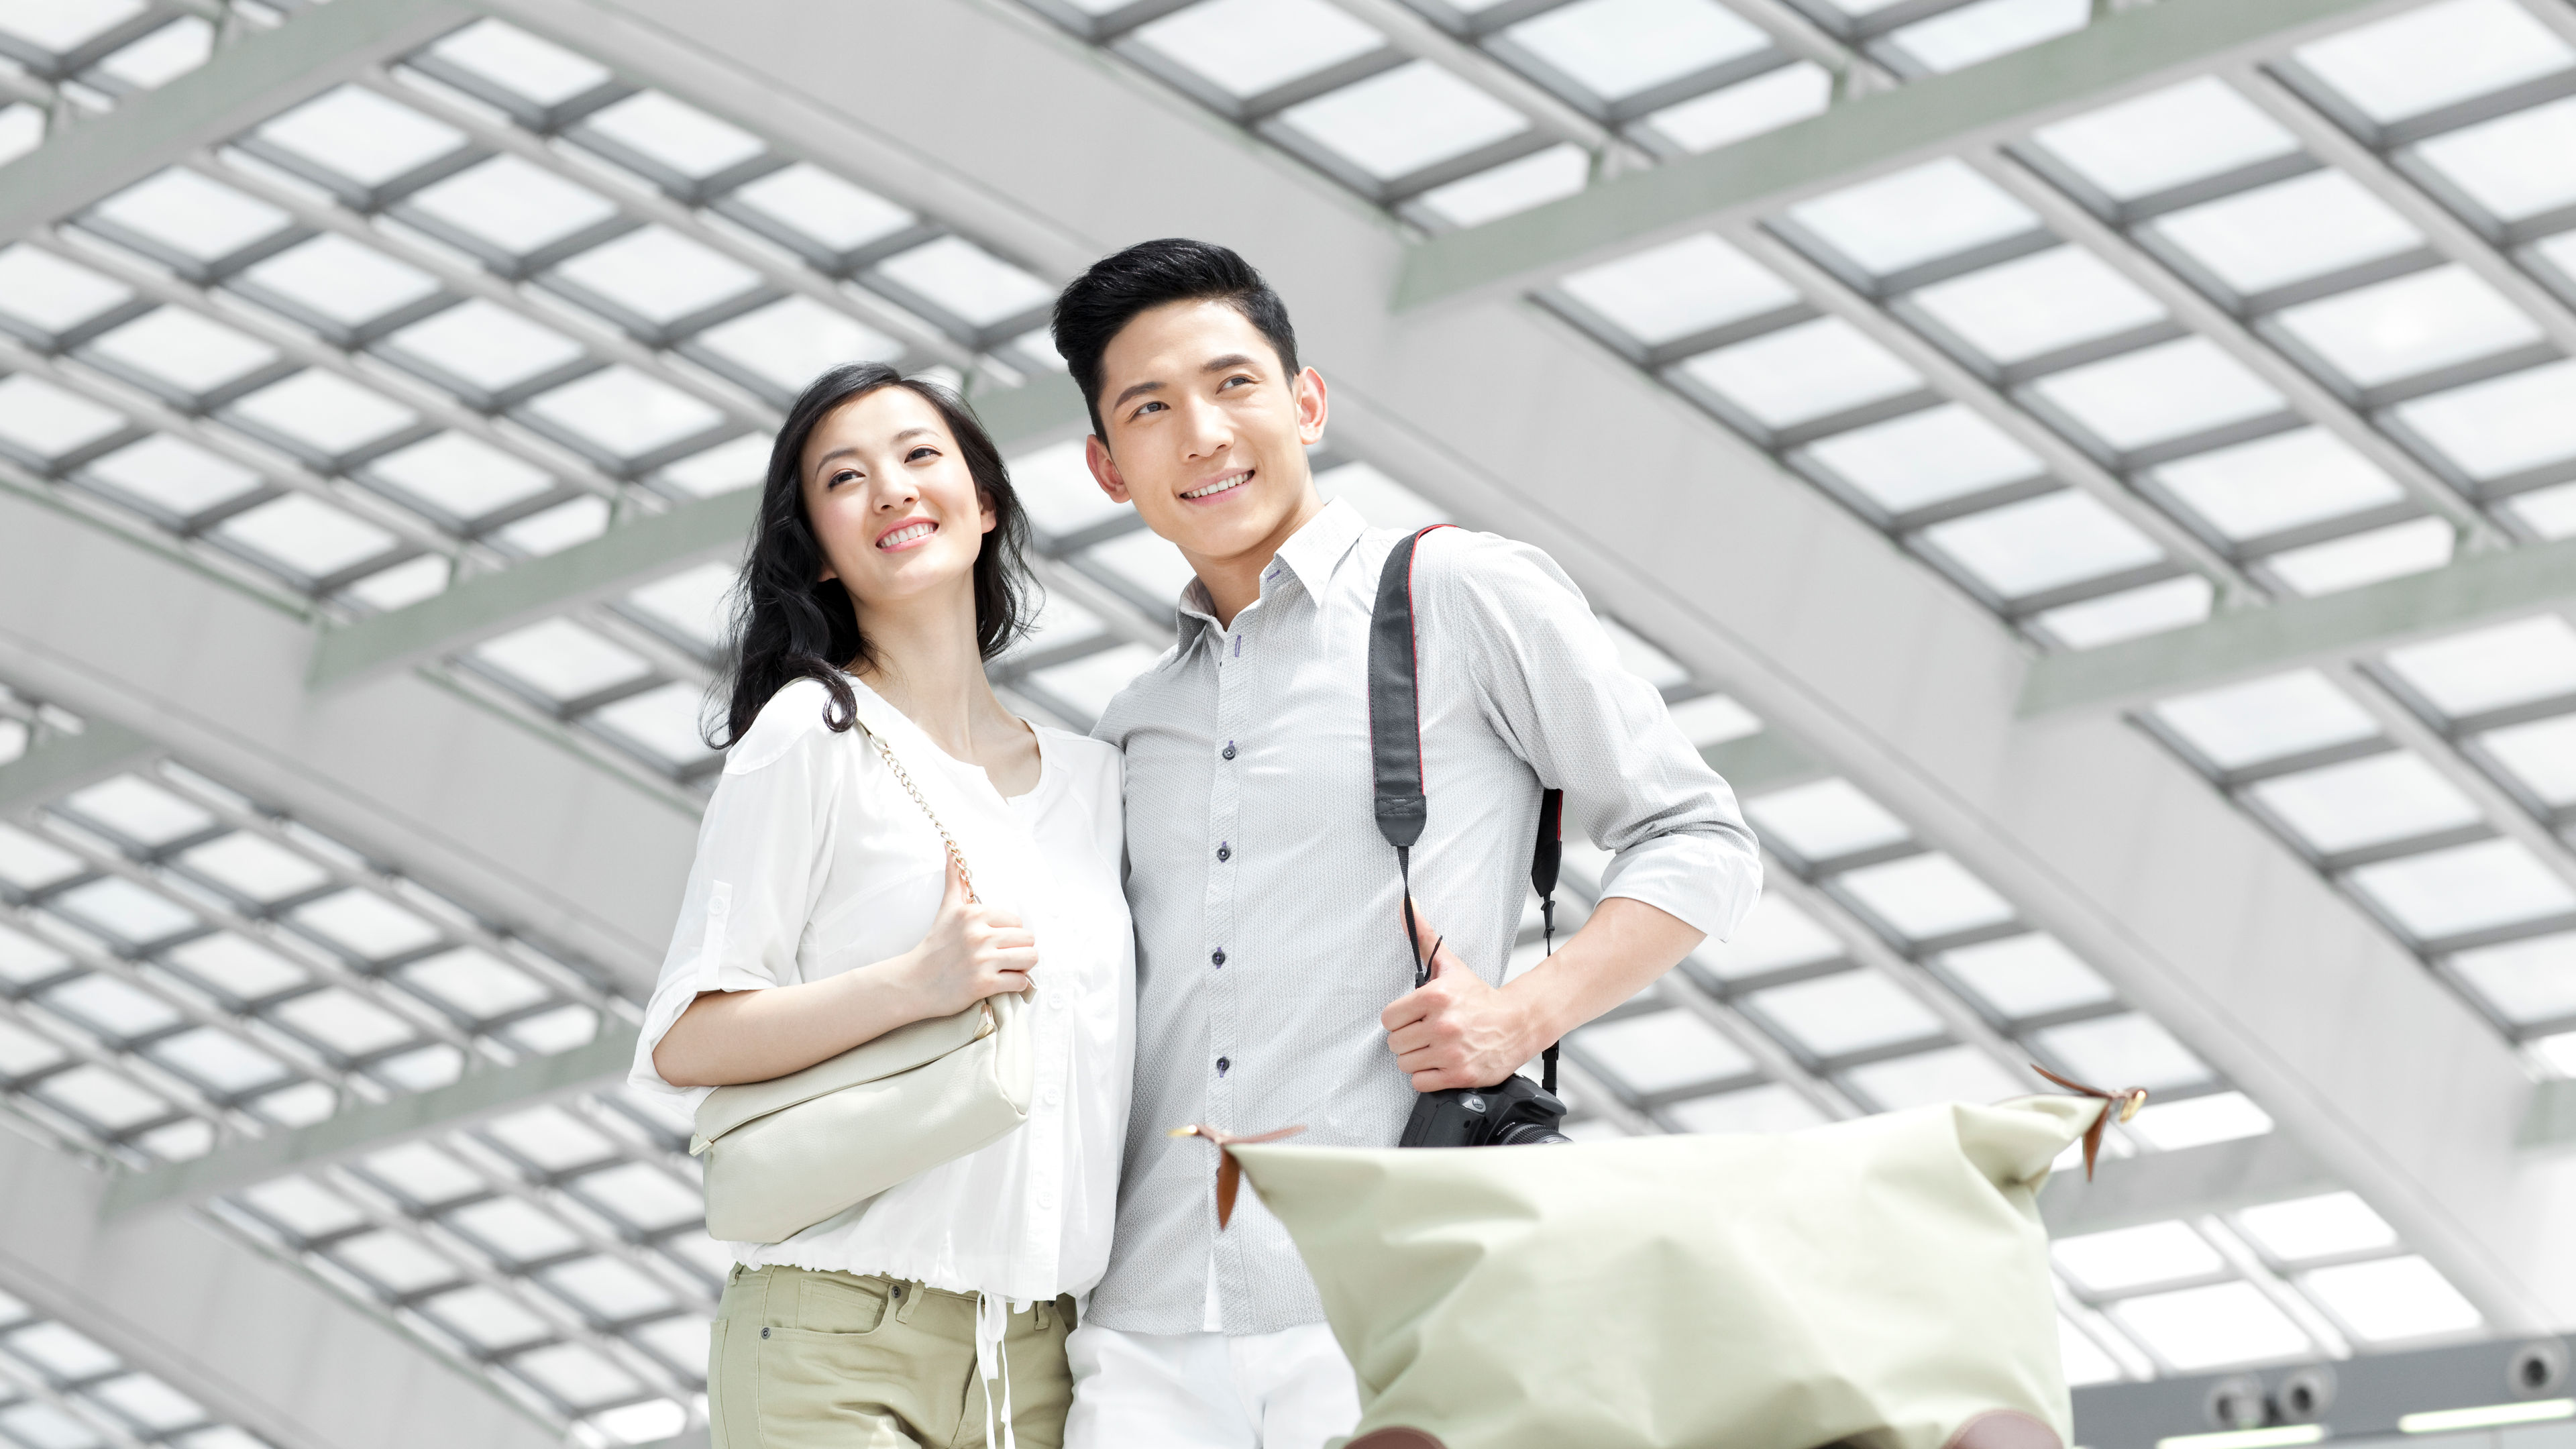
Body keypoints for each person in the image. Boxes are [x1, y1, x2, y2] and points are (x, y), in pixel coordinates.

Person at [1051, 239, 1763, 1448]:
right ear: (1110, 469)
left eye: (1234, 385)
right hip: (1148, 1320)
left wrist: (1524, 1015)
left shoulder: (1458, 595)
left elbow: (1698, 836)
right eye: (1151, 409)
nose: (1204, 435)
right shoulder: (1132, 727)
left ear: (1306, 402)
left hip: (1395, 1291)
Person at [629, 363, 1134, 1449]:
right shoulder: (812, 736)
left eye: (919, 457)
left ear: (984, 499)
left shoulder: (1100, 783)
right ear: (816, 545)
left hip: (1043, 1360)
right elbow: (688, 1035)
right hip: (837, 1341)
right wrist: (916, 986)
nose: (893, 490)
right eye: (845, 479)